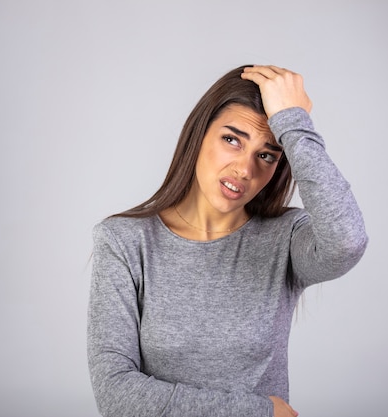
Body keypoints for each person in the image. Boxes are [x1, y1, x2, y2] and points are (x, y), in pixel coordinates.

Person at [87, 64, 368, 417]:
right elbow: (116, 394)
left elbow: (347, 241)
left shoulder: (286, 237)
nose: (244, 170)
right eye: (232, 139)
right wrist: (259, 412)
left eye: (266, 155)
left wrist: (294, 123)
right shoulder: (124, 241)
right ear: (199, 133)